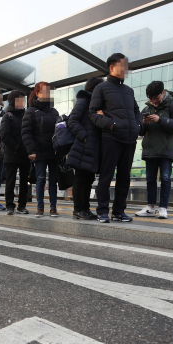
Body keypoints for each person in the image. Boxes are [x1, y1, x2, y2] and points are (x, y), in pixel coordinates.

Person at [89, 53, 142, 223]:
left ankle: (119, 211)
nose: (126, 69)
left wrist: (138, 126)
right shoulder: (101, 88)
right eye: (123, 66)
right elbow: (92, 113)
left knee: (124, 178)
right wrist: (111, 125)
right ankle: (102, 210)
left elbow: (136, 111)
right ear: (112, 68)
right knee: (106, 176)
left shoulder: (129, 90)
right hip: (111, 138)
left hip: (129, 139)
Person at [135, 81, 173, 220]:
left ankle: (163, 207)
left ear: (163, 93)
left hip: (166, 149)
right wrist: (143, 124)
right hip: (150, 149)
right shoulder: (146, 109)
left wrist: (160, 120)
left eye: (155, 98)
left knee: (165, 178)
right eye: (150, 98)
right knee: (150, 179)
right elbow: (139, 131)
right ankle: (150, 207)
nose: (153, 101)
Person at [67, 77, 104, 220]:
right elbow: (72, 120)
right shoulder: (84, 100)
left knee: (88, 179)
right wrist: (84, 136)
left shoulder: (97, 105)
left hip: (93, 148)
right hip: (84, 146)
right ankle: (78, 209)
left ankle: (86, 208)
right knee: (80, 179)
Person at [22, 81, 60, 218]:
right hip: (39, 151)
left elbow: (60, 131)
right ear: (37, 93)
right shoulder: (31, 111)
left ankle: (53, 208)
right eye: (45, 91)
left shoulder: (54, 111)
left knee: (53, 180)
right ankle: (40, 208)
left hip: (53, 151)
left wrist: (60, 148)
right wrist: (31, 150)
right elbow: (26, 132)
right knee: (41, 179)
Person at [0, 90, 30, 215]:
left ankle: (22, 206)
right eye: (19, 100)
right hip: (11, 154)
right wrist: (17, 147)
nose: (22, 102)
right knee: (10, 181)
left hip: (25, 155)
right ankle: (10, 205)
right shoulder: (8, 116)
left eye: (23, 100)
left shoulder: (26, 116)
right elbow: (5, 136)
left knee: (24, 182)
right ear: (13, 101)